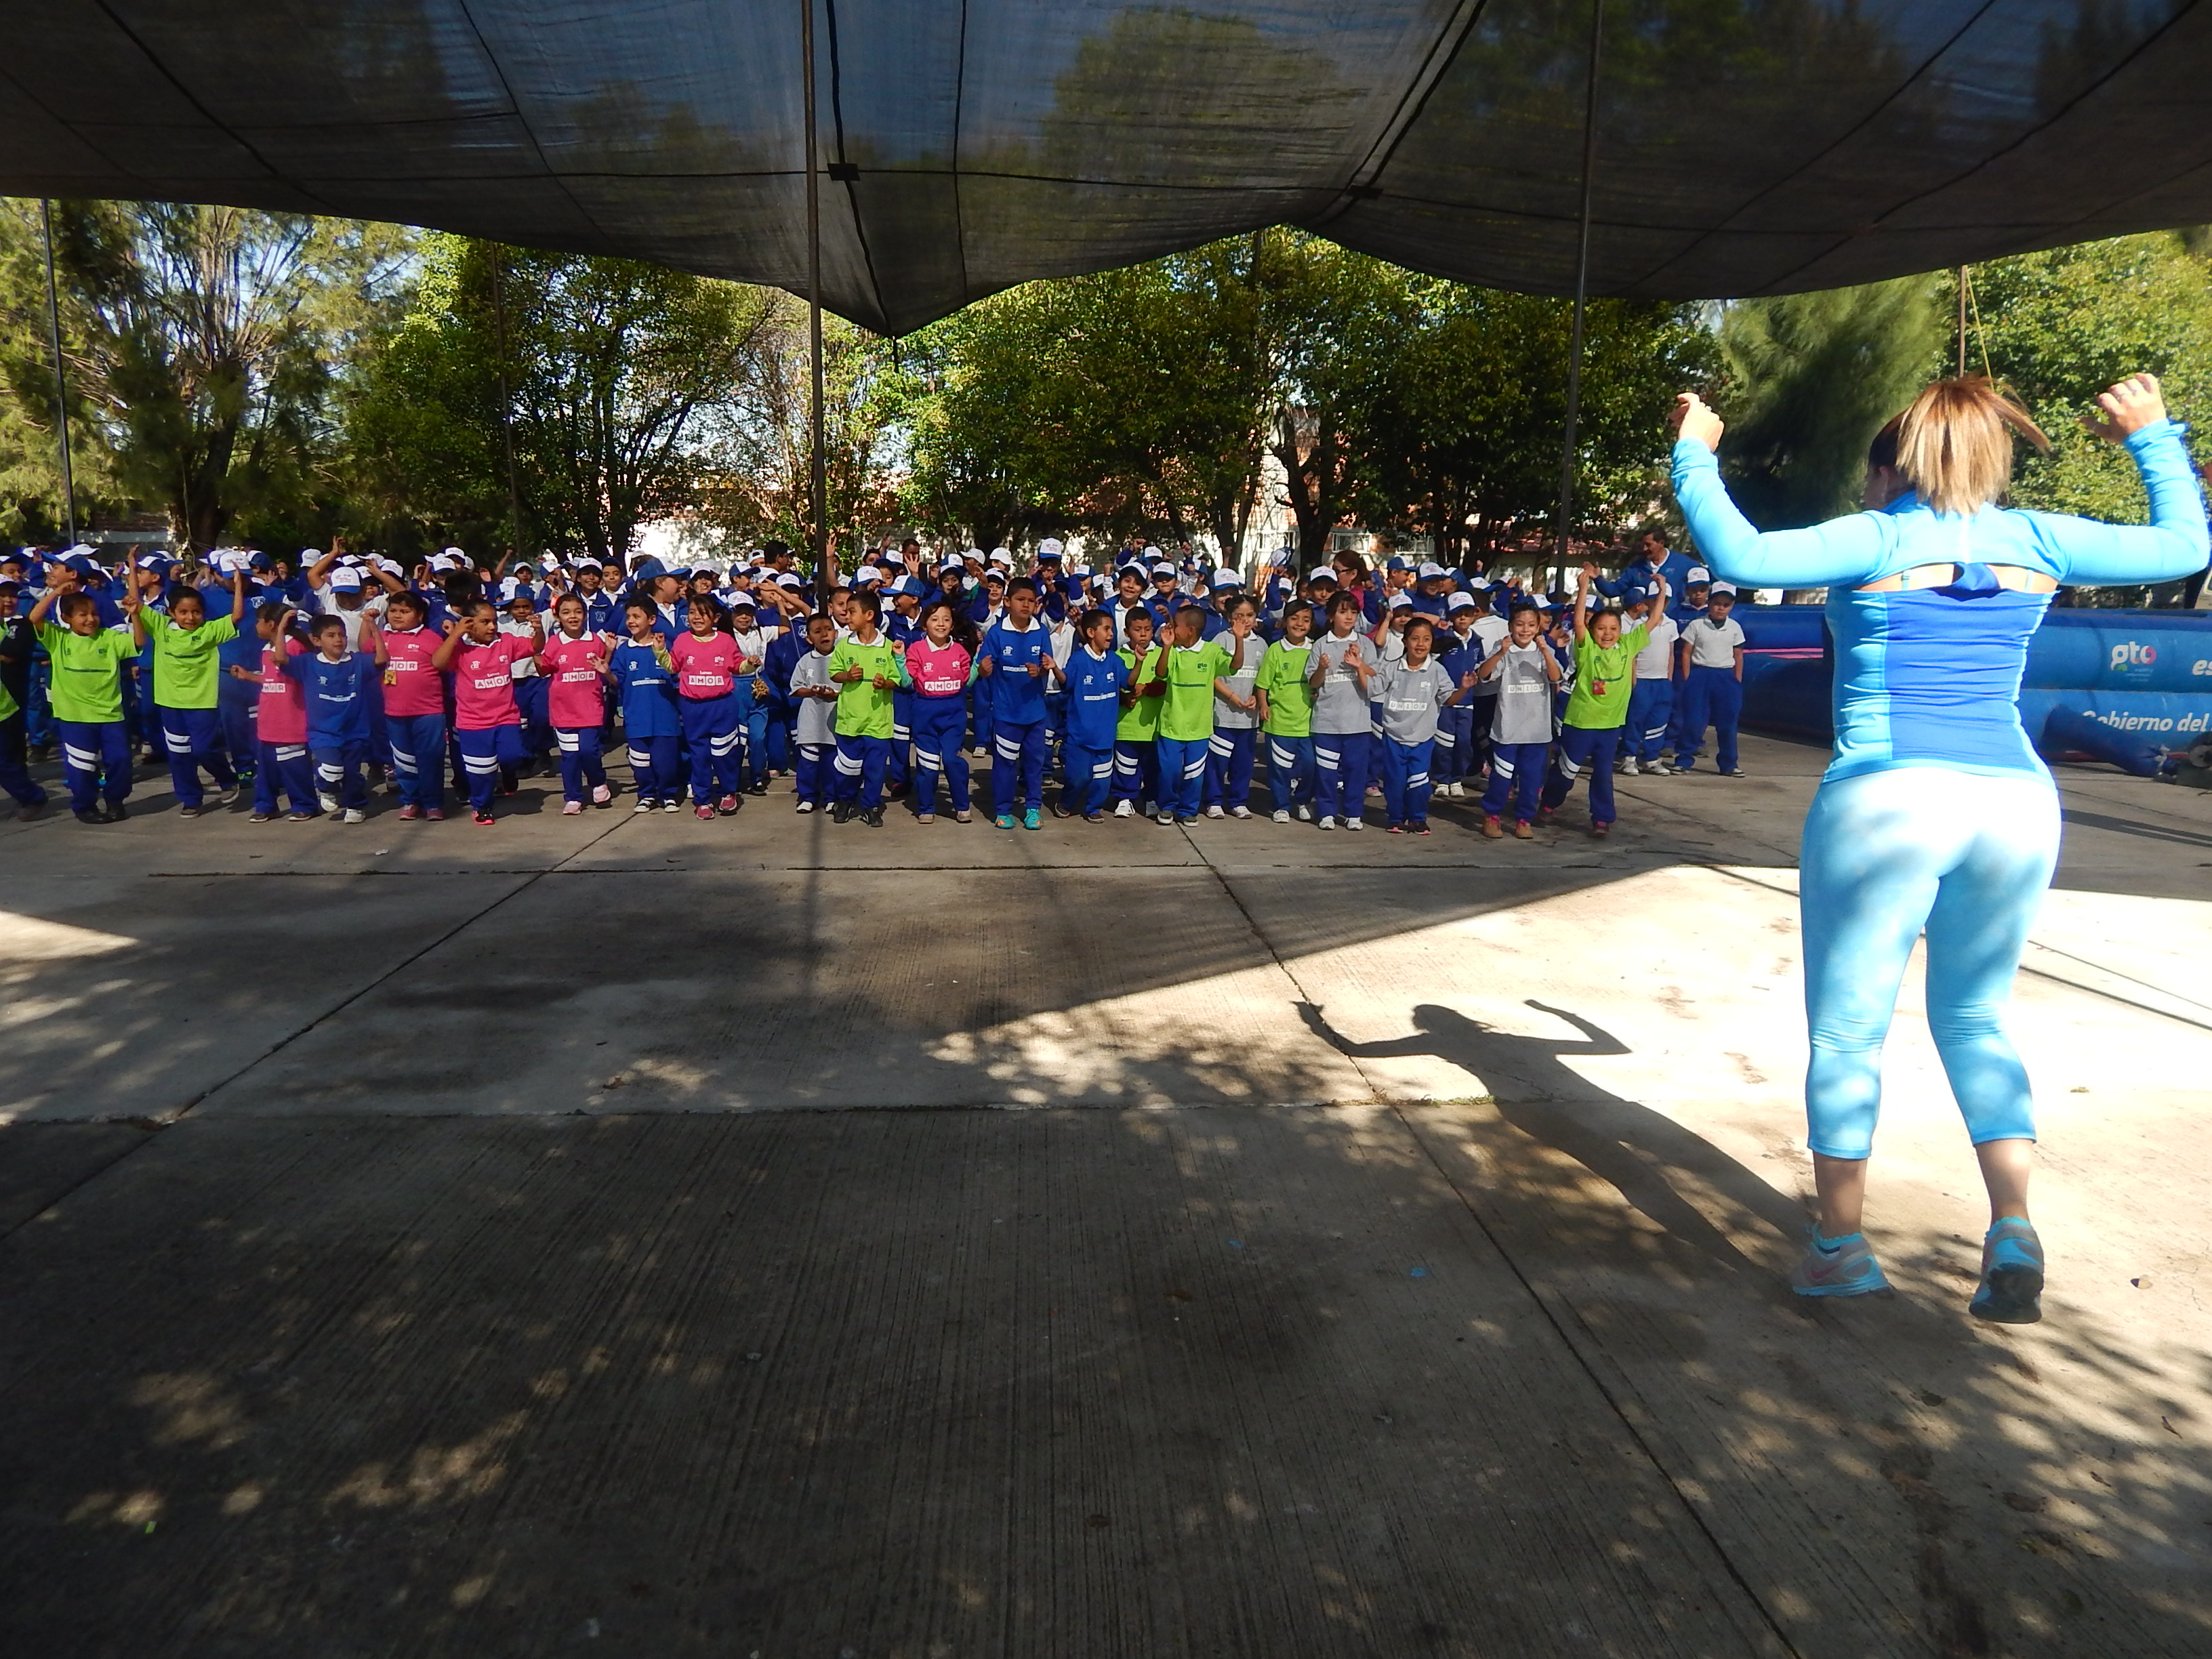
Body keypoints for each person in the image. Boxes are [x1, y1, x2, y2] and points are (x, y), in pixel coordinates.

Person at [1671, 371, 2209, 1322]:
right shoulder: (2038, 537)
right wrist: (2153, 436)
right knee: (1976, 1019)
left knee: (1848, 1034)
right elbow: (2186, 544)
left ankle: (1841, 1249)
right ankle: (2011, 1226)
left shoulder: (1876, 536)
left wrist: (1694, 452)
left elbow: (1739, 550)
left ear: (1889, 469)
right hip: (2014, 801)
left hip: (1888, 797)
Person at [1540, 565, 1667, 836]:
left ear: (1621, 631)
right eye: (1601, 628)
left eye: (1613, 629)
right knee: (1567, 771)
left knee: (1602, 774)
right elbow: (1577, 622)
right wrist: (1584, 587)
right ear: (1592, 630)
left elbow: (1654, 620)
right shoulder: (1586, 649)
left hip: (1610, 726)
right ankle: (1549, 804)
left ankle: (1602, 819)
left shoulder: (1628, 646)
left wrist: (1662, 589)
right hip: (1580, 722)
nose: (1607, 634)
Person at [28, 566, 138, 823]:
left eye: (94, 614)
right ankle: (85, 806)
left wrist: (136, 617)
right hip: (75, 717)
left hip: (110, 715)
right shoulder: (58, 639)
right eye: (82, 615)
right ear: (67, 619)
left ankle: (115, 800)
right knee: (82, 767)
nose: (90, 619)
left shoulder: (109, 638)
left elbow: (139, 642)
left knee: (121, 760)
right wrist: (56, 592)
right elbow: (34, 618)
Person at [135, 570, 247, 817]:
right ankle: (190, 799)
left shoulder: (209, 631)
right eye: (183, 612)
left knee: (204, 749)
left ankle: (227, 779)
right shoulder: (161, 629)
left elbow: (237, 616)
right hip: (170, 703)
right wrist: (132, 570)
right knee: (179, 754)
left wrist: (238, 585)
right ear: (171, 613)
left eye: (196, 612)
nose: (190, 617)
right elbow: (137, 604)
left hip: (202, 702)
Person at [433, 599, 539, 826]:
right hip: (473, 723)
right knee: (481, 771)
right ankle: (482, 807)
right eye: (485, 622)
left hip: (506, 717)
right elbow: (439, 663)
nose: (492, 627)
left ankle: (509, 775)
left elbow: (534, 647)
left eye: (494, 622)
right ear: (470, 624)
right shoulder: (460, 649)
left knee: (512, 756)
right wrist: (455, 635)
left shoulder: (505, 643)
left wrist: (538, 632)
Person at [1372, 616, 1479, 834]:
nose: (1420, 644)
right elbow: (1372, 689)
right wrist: (1359, 667)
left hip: (1422, 738)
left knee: (1420, 783)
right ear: (1405, 641)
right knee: (1395, 781)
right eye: (1414, 639)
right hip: (1393, 736)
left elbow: (1449, 699)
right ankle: (1395, 817)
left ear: (1432, 642)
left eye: (1426, 639)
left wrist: (1464, 688)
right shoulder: (1393, 668)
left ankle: (1417, 818)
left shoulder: (1437, 670)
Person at [285, 612, 386, 823]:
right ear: (316, 640)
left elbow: (382, 659)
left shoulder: (356, 662)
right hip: (323, 732)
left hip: (355, 731)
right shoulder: (308, 663)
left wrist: (374, 630)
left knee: (353, 773)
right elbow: (280, 659)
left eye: (341, 634)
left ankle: (355, 806)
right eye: (331, 635)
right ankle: (326, 788)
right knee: (332, 768)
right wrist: (282, 627)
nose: (338, 640)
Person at [1471, 601, 1560, 839]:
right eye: (1520, 624)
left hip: (1537, 732)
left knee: (1531, 780)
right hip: (1507, 730)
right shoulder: (1503, 648)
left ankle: (1524, 819)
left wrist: (1545, 652)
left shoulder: (1544, 650)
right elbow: (1484, 675)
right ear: (1510, 626)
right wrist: (1501, 652)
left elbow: (1556, 677)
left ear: (1539, 626)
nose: (1525, 630)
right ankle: (1492, 815)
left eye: (1531, 625)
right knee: (1502, 777)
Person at [1152, 604, 1246, 827]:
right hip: (1172, 725)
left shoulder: (1211, 652)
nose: (1171, 629)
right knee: (1170, 771)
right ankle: (1167, 806)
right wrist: (1165, 648)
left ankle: (1188, 809)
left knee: (1194, 773)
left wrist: (1239, 640)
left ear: (1191, 630)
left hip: (1199, 728)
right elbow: (1161, 673)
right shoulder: (1173, 650)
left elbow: (1235, 666)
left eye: (1176, 626)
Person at [976, 577, 1052, 830]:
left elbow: (1046, 668)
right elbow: (984, 669)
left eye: (1031, 601)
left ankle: (1032, 808)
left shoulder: (1040, 631)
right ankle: (1004, 810)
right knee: (1006, 764)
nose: (1026, 605)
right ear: (1007, 602)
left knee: (1033, 764)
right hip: (1007, 713)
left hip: (1035, 713)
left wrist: (1040, 671)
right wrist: (985, 670)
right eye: (1020, 600)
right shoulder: (997, 633)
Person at [827, 590, 906, 825]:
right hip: (850, 721)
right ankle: (845, 800)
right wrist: (848, 676)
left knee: (875, 769)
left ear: (869, 615)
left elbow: (897, 679)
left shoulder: (888, 647)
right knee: (847, 768)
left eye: (852, 612)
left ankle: (871, 805)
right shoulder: (844, 645)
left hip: (878, 722)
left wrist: (886, 683)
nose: (846, 615)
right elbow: (835, 673)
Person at [239, 600, 317, 821]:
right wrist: (249, 676)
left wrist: (283, 629)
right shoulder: (266, 650)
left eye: (258, 621)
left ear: (272, 624)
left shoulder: (294, 647)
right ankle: (266, 805)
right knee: (266, 769)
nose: (255, 626)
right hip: (269, 720)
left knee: (295, 768)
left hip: (291, 720)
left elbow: (288, 667)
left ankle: (305, 804)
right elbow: (272, 680)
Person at [377, 589, 450, 820]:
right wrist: (369, 624)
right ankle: (410, 800)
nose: (398, 616)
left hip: (428, 712)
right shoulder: (384, 637)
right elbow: (365, 647)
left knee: (431, 758)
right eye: (394, 611)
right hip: (395, 712)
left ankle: (433, 803)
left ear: (419, 615)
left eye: (405, 611)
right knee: (403, 760)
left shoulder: (430, 638)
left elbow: (444, 665)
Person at [1307, 592, 1378, 831]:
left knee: (1355, 771)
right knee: (1327, 772)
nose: (1349, 617)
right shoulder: (1320, 645)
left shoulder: (1365, 644)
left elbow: (1375, 678)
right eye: (1343, 611)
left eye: (1353, 612)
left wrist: (1359, 664)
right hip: (1327, 722)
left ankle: (1353, 813)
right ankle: (1327, 811)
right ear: (1330, 616)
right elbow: (1314, 683)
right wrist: (1322, 667)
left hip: (1357, 723)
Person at [670, 594, 744, 820]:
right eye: (692, 612)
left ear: (716, 618)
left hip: (722, 706)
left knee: (724, 753)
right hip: (693, 707)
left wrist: (750, 664)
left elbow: (739, 666)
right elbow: (672, 667)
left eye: (702, 613)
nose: (696, 617)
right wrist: (659, 652)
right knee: (699, 755)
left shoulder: (725, 641)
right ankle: (702, 800)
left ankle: (728, 792)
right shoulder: (682, 640)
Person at [540, 593, 614, 814]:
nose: (573, 617)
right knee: (570, 756)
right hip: (564, 711)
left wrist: (609, 651)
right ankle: (573, 796)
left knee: (590, 751)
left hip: (591, 708)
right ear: (558, 617)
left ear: (585, 615)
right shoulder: (554, 643)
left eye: (578, 612)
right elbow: (544, 669)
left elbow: (603, 666)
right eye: (566, 612)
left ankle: (598, 781)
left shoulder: (595, 640)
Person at [608, 598, 683, 813]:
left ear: (652, 619)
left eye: (636, 616)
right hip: (637, 718)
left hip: (665, 718)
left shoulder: (666, 646)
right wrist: (605, 670)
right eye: (629, 617)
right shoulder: (624, 651)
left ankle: (668, 794)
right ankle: (647, 794)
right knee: (640, 763)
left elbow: (677, 673)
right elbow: (618, 680)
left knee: (665, 762)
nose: (631, 621)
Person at [905, 597, 975, 824]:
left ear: (952, 625)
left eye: (946, 619)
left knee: (953, 762)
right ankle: (926, 807)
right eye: (935, 619)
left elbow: (967, 680)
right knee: (928, 765)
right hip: (925, 712)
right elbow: (906, 680)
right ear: (925, 625)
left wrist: (977, 666)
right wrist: (897, 658)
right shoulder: (916, 649)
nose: (941, 624)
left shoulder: (960, 651)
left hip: (954, 712)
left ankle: (962, 805)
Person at [1056, 607, 1127, 821]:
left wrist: (1140, 663)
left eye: (1111, 629)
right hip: (1080, 736)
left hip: (1105, 736)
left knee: (1102, 780)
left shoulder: (1114, 660)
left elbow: (1128, 682)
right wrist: (1053, 669)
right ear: (1090, 632)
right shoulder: (1078, 660)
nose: (1111, 634)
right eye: (1106, 629)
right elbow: (1066, 683)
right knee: (1078, 778)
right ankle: (1066, 802)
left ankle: (1093, 808)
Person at [1671, 582, 1746, 775]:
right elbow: (1686, 652)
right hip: (1701, 674)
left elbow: (1738, 655)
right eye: (1717, 603)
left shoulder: (1734, 627)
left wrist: (1736, 681)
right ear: (1710, 603)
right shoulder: (1697, 625)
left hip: (1725, 676)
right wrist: (1688, 678)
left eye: (1726, 604)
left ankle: (1729, 763)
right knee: (1694, 721)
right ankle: (1684, 759)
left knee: (1727, 722)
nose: (1721, 608)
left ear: (1731, 607)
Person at [1254, 598, 1316, 823]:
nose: (1300, 624)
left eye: (1306, 620)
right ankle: (1281, 805)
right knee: (1280, 768)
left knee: (1310, 766)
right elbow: (1263, 684)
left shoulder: (1315, 648)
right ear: (1285, 621)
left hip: (1308, 722)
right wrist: (1264, 705)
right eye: (1294, 618)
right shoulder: (1276, 650)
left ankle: (1302, 800)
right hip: (1279, 721)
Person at [1202, 598, 1261, 819]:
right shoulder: (1221, 640)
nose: (1245, 621)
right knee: (1218, 761)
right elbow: (1213, 676)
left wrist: (1256, 696)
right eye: (1239, 616)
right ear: (1229, 618)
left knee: (1243, 763)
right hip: (1223, 716)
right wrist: (1232, 696)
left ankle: (1238, 801)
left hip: (1249, 719)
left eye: (1250, 615)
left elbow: (1263, 680)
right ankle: (1214, 800)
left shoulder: (1262, 644)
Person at [1620, 580, 1681, 777]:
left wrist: (1669, 678)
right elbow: (1632, 655)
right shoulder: (1639, 625)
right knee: (1636, 720)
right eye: (1654, 600)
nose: (1660, 604)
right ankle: (1629, 757)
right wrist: (1633, 681)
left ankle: (1651, 757)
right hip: (1642, 680)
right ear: (1647, 602)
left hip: (1662, 681)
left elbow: (1671, 653)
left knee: (1659, 720)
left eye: (1664, 600)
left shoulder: (1672, 625)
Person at [1110, 608, 1165, 818]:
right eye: (1137, 629)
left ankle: (1151, 799)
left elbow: (1167, 683)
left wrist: (1148, 689)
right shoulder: (1118, 656)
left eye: (1148, 629)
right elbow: (1113, 685)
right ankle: (1125, 799)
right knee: (1125, 765)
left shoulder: (1161, 654)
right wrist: (1124, 697)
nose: (1143, 634)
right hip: (1126, 726)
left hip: (1154, 727)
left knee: (1153, 767)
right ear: (1126, 631)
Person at [788, 612, 840, 814]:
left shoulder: (842, 658)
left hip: (834, 719)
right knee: (809, 760)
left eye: (828, 630)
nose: (824, 635)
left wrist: (834, 694)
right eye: (818, 632)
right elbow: (795, 688)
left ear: (836, 633)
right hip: (811, 719)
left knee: (831, 761)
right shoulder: (805, 661)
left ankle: (831, 797)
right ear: (809, 638)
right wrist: (812, 691)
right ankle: (808, 796)